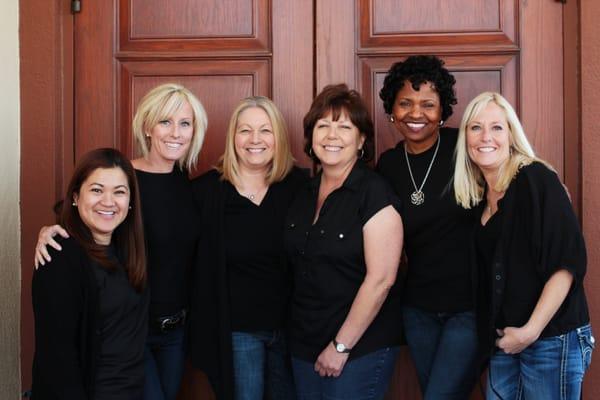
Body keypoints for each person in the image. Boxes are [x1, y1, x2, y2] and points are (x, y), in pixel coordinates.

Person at [33, 83, 207, 400]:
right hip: (130, 331)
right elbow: (79, 215)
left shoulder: (188, 184)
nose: (175, 132)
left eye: (185, 123)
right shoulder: (123, 178)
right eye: (165, 121)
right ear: (147, 127)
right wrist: (48, 231)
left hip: (176, 332)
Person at [454, 92, 594, 399]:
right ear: (465, 138)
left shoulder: (535, 179)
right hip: (506, 342)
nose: (485, 137)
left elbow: (566, 264)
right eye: (475, 128)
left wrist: (530, 331)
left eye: (497, 128)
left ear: (511, 136)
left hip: (550, 340)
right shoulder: (479, 200)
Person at [285, 83, 403, 400]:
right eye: (323, 126)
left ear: (361, 139)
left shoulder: (374, 193)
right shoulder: (302, 193)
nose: (332, 136)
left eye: (344, 127)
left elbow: (381, 280)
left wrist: (341, 346)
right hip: (303, 344)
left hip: (358, 347)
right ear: (311, 138)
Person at [188, 96, 304, 400]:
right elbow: (154, 224)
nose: (255, 140)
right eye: (245, 131)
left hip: (293, 330)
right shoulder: (206, 192)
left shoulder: (301, 187)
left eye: (265, 131)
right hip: (237, 332)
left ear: (278, 137)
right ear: (233, 137)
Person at [376, 55, 479, 399]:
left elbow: (513, 175)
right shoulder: (388, 165)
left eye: (428, 104)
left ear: (443, 110)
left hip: (469, 307)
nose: (415, 114)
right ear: (391, 108)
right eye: (405, 103)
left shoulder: (463, 148)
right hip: (417, 308)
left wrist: (547, 186)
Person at [31, 148, 148, 399]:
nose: (108, 201)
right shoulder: (58, 258)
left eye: (119, 192)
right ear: (75, 196)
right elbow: (56, 358)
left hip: (133, 390)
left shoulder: (128, 250)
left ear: (130, 203)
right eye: (96, 190)